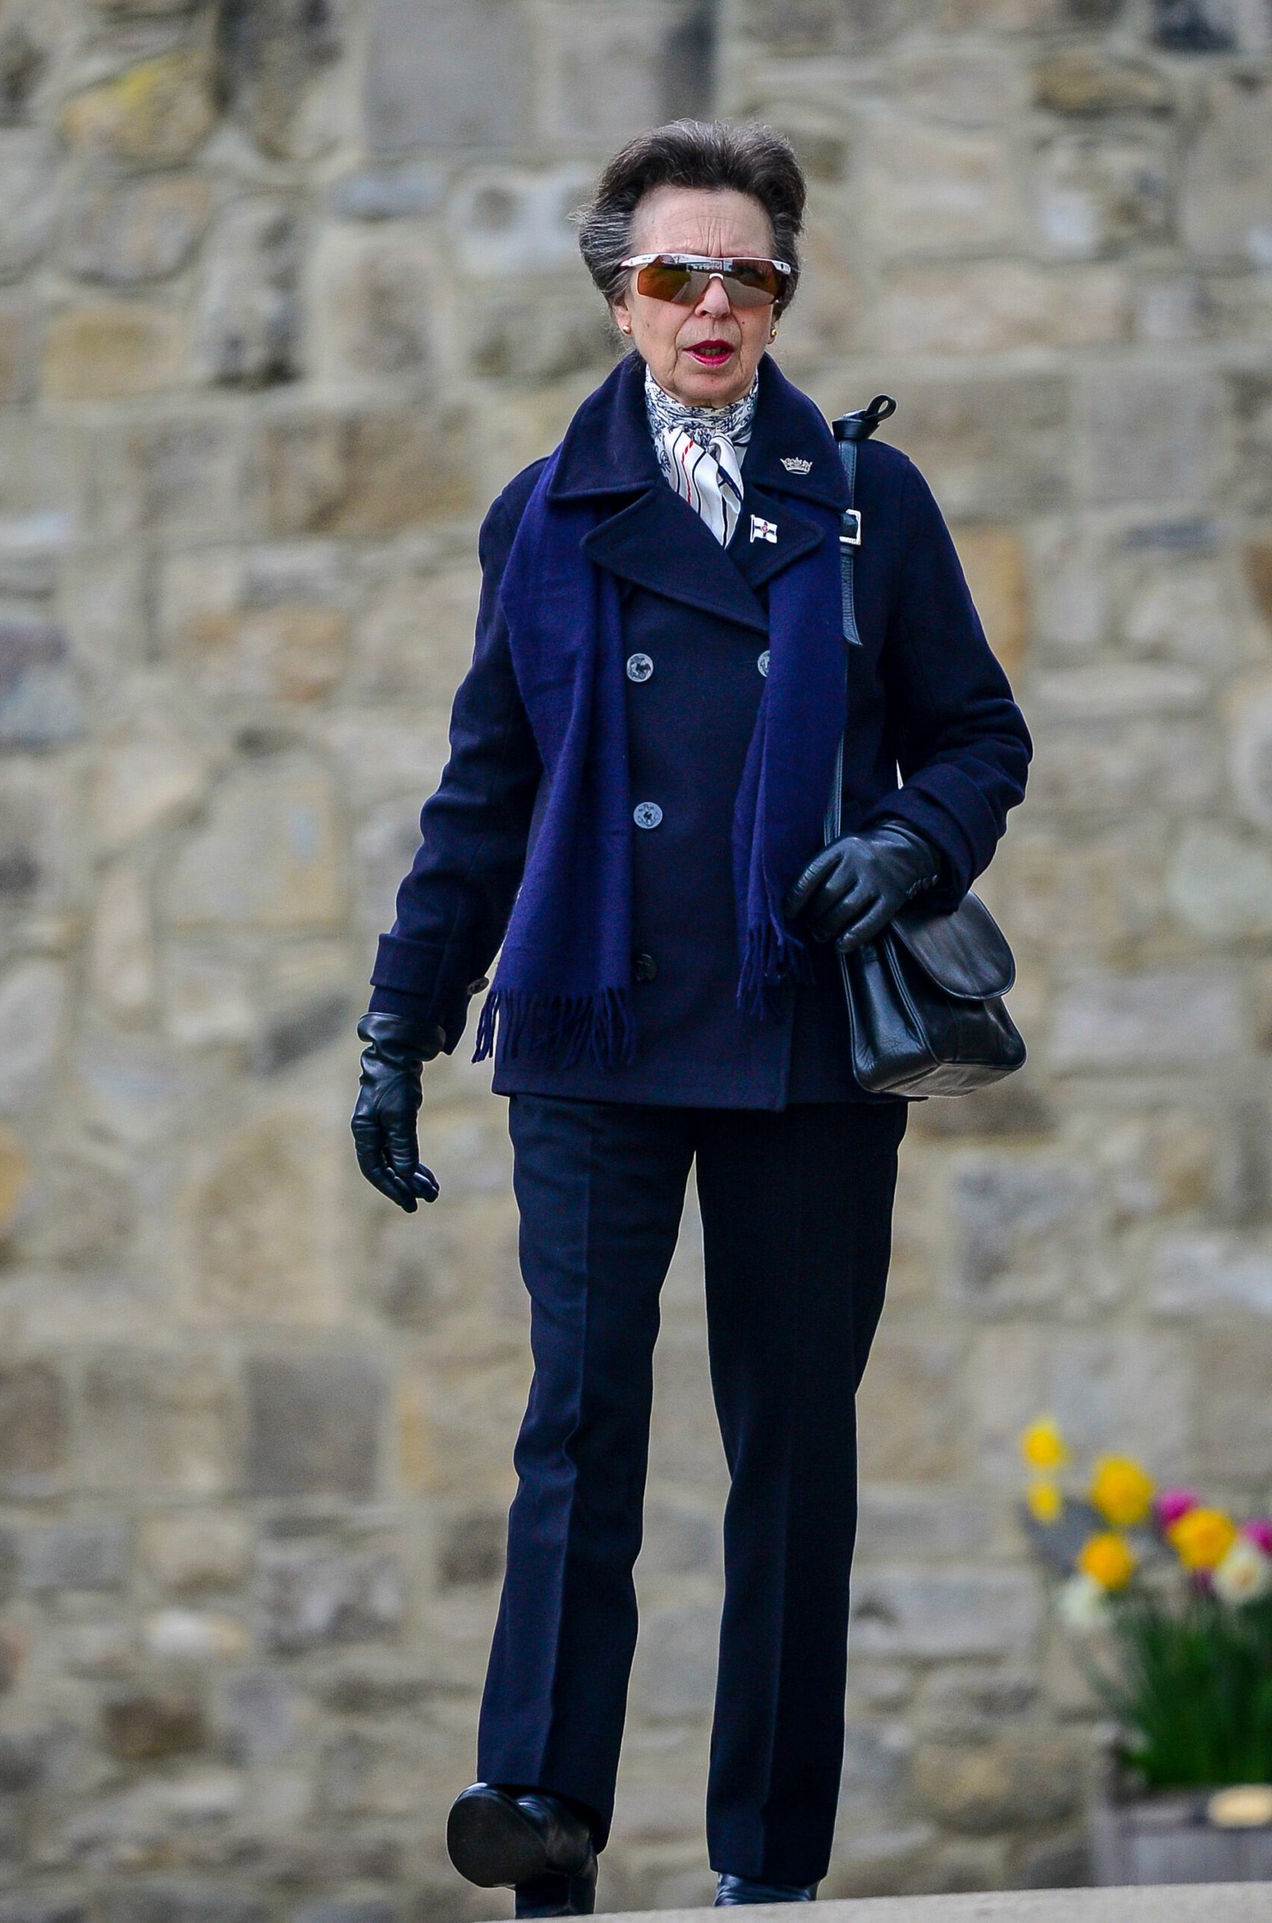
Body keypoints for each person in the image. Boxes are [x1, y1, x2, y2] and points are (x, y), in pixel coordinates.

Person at [351, 118, 1032, 1916]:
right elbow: (484, 793)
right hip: (590, 1024)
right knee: (580, 1418)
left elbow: (980, 735)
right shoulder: (545, 515)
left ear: (787, 295)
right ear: (618, 294)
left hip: (803, 1035)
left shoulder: (872, 509)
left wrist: (906, 841)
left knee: (793, 1445)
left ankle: (765, 1868)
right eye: (677, 273)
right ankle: (546, 1814)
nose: (714, 303)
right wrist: (395, 1028)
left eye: (750, 274)